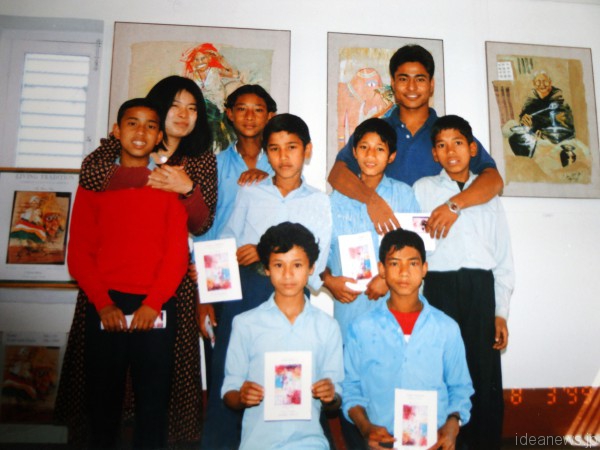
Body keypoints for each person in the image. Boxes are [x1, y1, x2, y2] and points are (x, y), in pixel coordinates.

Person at [55, 76, 217, 445]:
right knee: (102, 401)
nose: (141, 132)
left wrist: (153, 303)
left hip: (158, 301)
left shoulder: (181, 175)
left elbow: (180, 246)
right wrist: (103, 302)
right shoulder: (98, 179)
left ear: (158, 135)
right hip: (105, 302)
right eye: (133, 124)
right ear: (117, 131)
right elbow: (79, 251)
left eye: (192, 108)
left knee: (154, 399)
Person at [201, 113, 332, 450]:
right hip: (246, 292)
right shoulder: (251, 192)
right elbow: (227, 240)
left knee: (285, 378)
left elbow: (317, 262)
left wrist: (264, 255)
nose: (283, 156)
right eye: (274, 149)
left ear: (308, 151)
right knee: (232, 375)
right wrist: (220, 266)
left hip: (292, 298)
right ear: (265, 153)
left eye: (291, 147)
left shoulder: (319, 201)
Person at [328, 44, 503, 239]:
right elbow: (337, 174)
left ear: (431, 85)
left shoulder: (448, 134)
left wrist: (453, 205)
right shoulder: (376, 132)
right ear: (393, 84)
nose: (411, 87)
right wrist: (371, 200)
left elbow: (494, 179)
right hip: (384, 243)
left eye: (420, 79)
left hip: (439, 245)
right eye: (403, 79)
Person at [413, 115, 515, 450]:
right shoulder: (424, 189)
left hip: (480, 289)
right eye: (441, 145)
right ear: (434, 155)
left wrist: (500, 312)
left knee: (482, 375)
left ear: (472, 148)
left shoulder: (488, 195)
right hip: (439, 289)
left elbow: (502, 258)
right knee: (441, 370)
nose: (450, 151)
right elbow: (416, 249)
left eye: (458, 142)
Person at [342, 228, 473, 450]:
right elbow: (350, 388)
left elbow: (460, 388)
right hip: (382, 441)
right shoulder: (361, 328)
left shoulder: (447, 328)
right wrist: (366, 428)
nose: (404, 272)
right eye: (394, 263)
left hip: (435, 440)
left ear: (424, 269)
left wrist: (453, 424)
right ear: (381, 269)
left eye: (412, 263)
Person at [222, 222, 343, 450]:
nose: (288, 275)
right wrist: (241, 395)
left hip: (310, 444)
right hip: (257, 444)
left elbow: (335, 398)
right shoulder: (245, 324)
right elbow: (230, 392)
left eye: (297, 265)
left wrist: (330, 395)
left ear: (311, 268)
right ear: (267, 268)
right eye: (278, 265)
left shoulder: (328, 327)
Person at [196, 84, 277, 378]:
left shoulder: (282, 166)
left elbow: (294, 217)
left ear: (270, 115)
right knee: (225, 362)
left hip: (269, 273)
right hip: (223, 273)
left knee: (268, 362)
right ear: (229, 114)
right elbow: (206, 229)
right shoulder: (214, 166)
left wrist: (269, 178)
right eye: (242, 108)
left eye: (258, 109)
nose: (250, 116)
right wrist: (203, 296)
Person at [325, 118, 419, 343]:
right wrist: (329, 281)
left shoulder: (403, 195)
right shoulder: (333, 201)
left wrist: (387, 278)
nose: (370, 155)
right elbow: (320, 253)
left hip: (394, 304)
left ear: (391, 156)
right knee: (352, 372)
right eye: (364, 147)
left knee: (394, 371)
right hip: (351, 309)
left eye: (379, 149)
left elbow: (417, 249)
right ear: (354, 152)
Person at [509, 70, 575, 157]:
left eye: (545, 81)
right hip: (534, 134)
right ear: (534, 83)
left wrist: (542, 132)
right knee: (513, 139)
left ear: (550, 82)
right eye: (538, 82)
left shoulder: (559, 99)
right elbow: (524, 116)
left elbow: (563, 125)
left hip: (554, 136)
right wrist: (524, 120)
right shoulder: (531, 98)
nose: (542, 85)